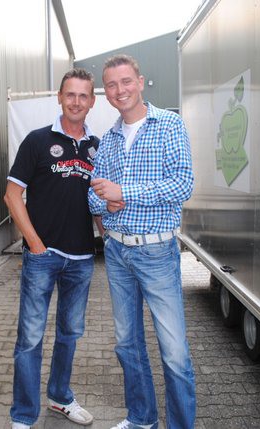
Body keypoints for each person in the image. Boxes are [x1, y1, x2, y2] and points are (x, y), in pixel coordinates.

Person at [88, 54, 196, 429]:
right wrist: (105, 201)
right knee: (127, 344)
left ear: (140, 81)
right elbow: (92, 196)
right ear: (106, 92)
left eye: (125, 81)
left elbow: (182, 185)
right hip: (117, 252)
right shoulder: (109, 139)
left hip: (157, 252)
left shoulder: (169, 125)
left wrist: (124, 192)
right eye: (111, 85)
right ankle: (141, 418)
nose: (120, 90)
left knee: (174, 352)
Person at [5, 68, 100, 429]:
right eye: (70, 94)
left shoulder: (96, 147)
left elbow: (99, 202)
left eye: (83, 95)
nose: (76, 101)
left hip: (83, 258)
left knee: (70, 333)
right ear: (60, 98)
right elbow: (12, 196)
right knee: (30, 338)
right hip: (43, 257)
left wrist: (109, 240)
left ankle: (60, 397)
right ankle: (23, 416)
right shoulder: (37, 141)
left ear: (92, 101)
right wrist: (35, 244)